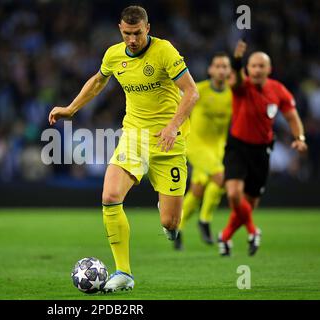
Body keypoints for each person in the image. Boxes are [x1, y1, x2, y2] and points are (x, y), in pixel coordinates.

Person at [48, 6, 199, 292]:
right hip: (134, 138)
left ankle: (167, 215)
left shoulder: (165, 51)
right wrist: (70, 108)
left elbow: (192, 91)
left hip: (170, 141)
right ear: (120, 29)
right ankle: (124, 273)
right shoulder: (113, 55)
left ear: (148, 28)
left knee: (171, 222)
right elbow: (97, 82)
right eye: (128, 34)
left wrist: (172, 126)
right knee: (110, 196)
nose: (132, 40)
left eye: (138, 33)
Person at [218, 40, 308, 256]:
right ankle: (252, 230)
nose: (257, 69)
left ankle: (225, 237)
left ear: (269, 69)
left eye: (261, 66)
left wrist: (299, 137)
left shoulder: (278, 90)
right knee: (233, 194)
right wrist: (237, 60)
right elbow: (236, 79)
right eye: (253, 66)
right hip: (237, 146)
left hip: (262, 150)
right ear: (248, 69)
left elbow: (292, 116)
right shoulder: (241, 85)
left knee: (249, 203)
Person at [175, 53, 232, 250]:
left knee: (198, 189)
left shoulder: (232, 94)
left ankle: (178, 227)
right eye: (218, 66)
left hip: (218, 147)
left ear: (229, 71)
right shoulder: (199, 90)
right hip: (196, 145)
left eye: (225, 66)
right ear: (210, 70)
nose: (221, 70)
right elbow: (178, 105)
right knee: (220, 177)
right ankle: (205, 220)